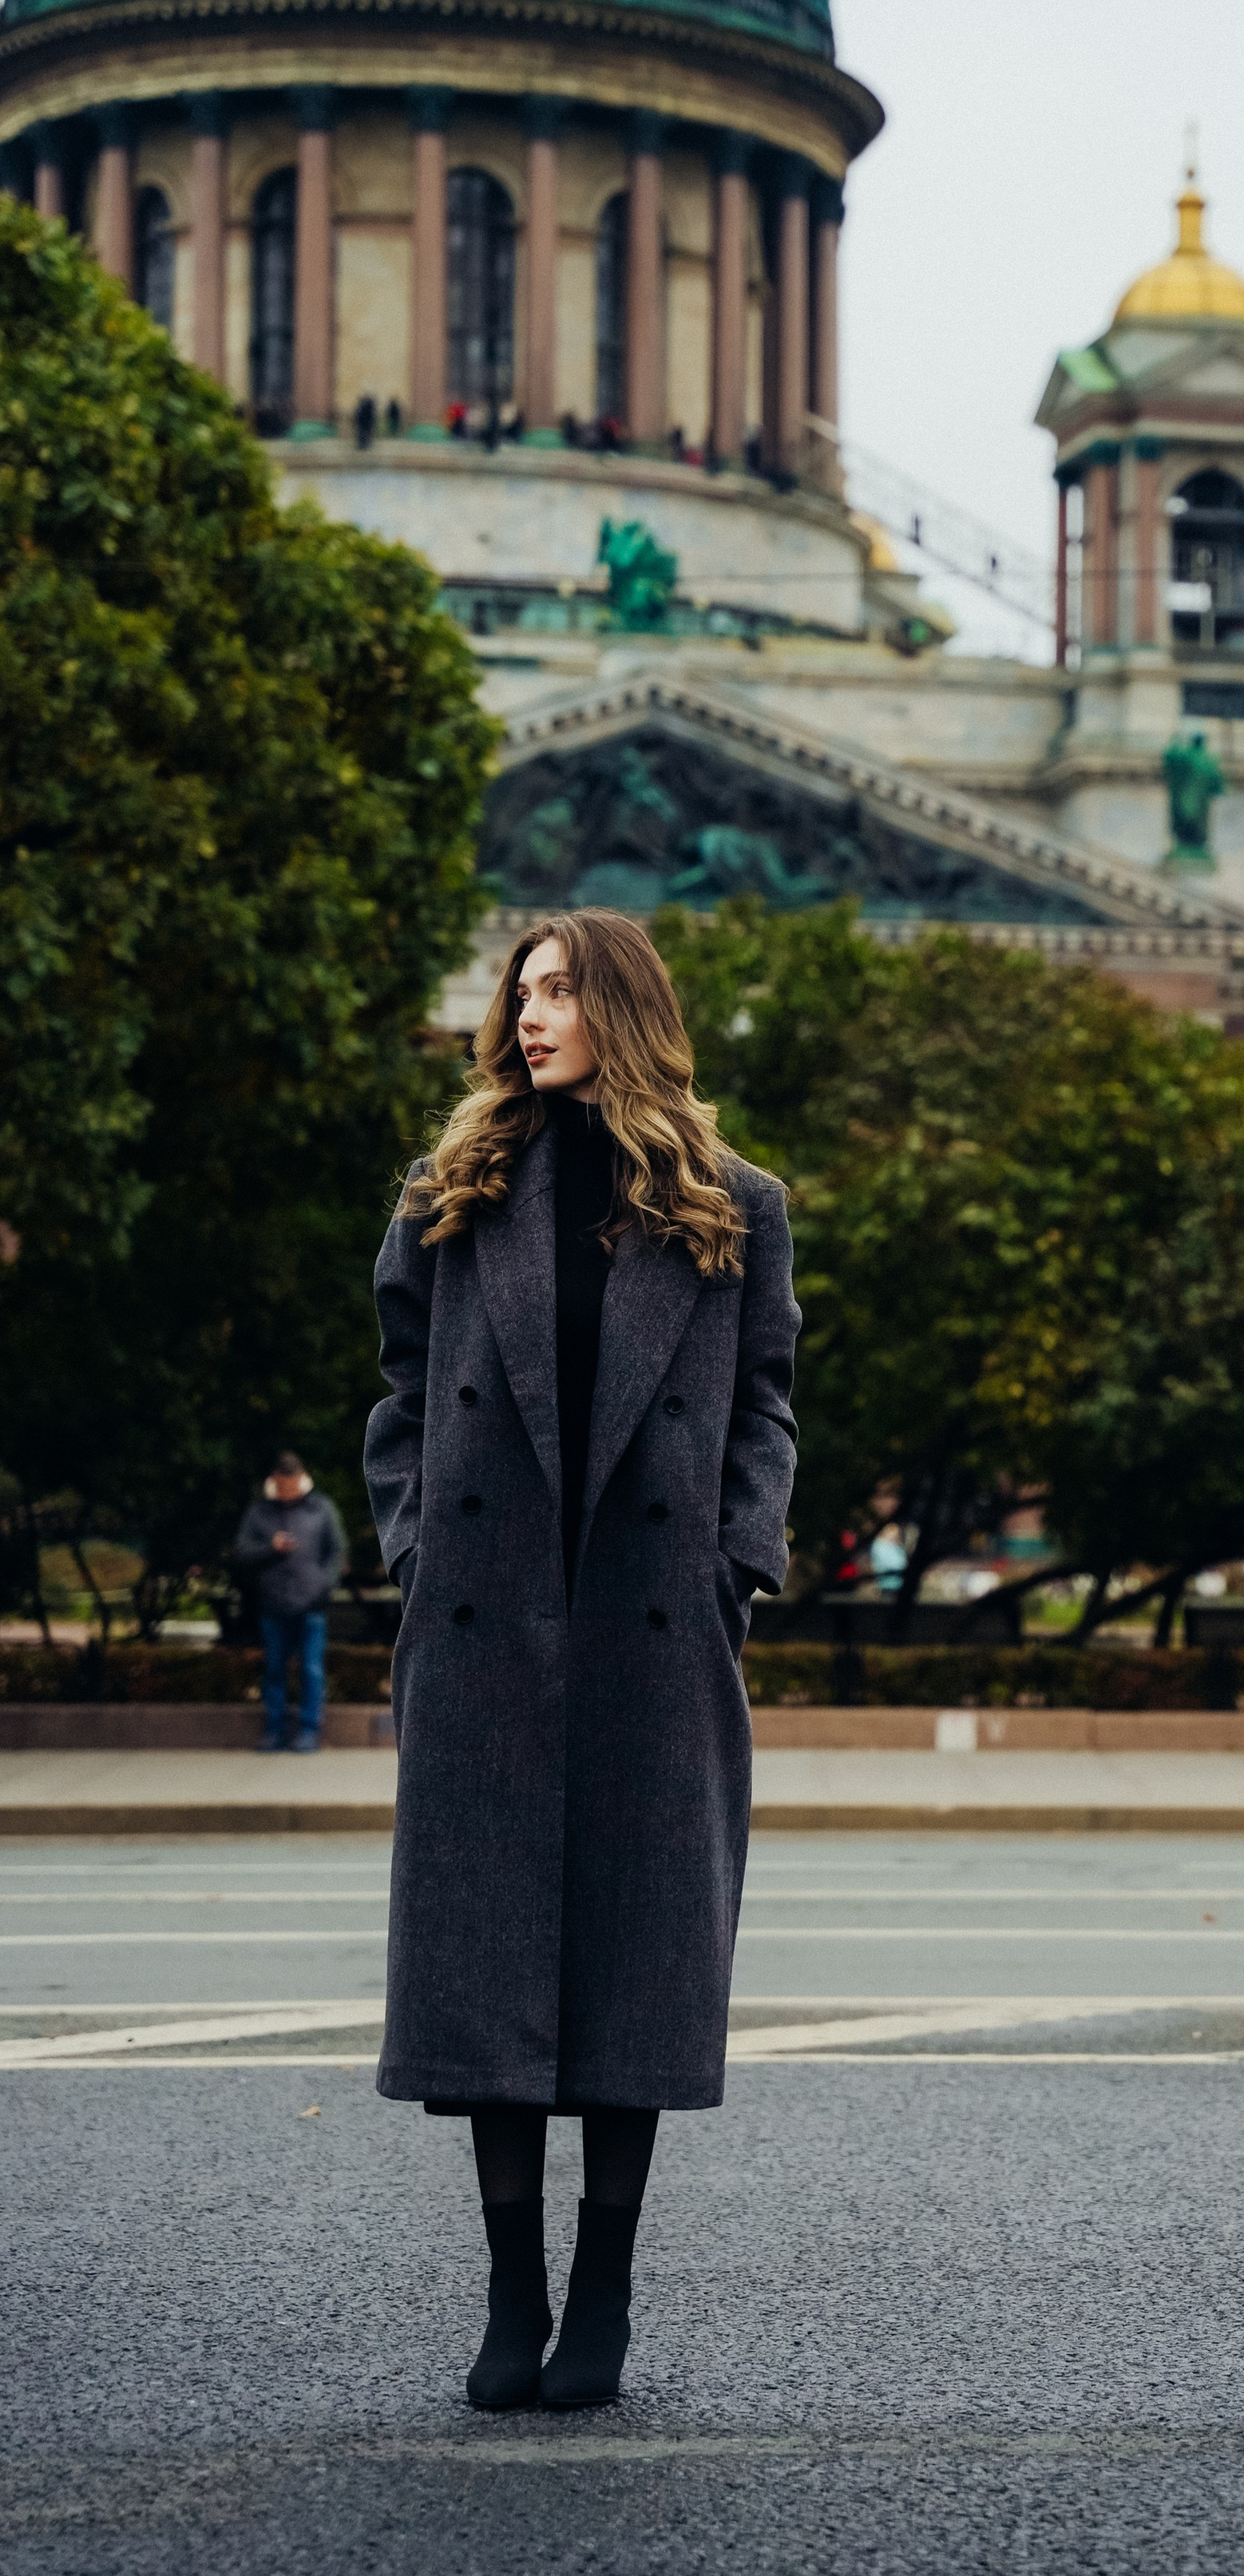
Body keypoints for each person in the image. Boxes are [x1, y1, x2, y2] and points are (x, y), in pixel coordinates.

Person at [364, 909, 798, 2414]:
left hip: (651, 1623)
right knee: (489, 1984)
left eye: (558, 991)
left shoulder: (733, 1203)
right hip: (488, 1617)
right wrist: (418, 1546)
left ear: (622, 1008)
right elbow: (399, 1394)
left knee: (632, 1971)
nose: (530, 1015)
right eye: (521, 992)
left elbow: (767, 1406)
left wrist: (739, 1557)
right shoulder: (454, 1188)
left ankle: (601, 2295)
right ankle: (510, 2295)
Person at [232, 1452, 346, 1754]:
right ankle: (274, 1731)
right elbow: (242, 1553)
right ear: (273, 1484)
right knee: (274, 1669)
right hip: (272, 1605)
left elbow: (336, 1552)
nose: (287, 1493)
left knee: (311, 1669)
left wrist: (324, 1586)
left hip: (312, 1606)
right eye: (282, 1487)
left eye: (292, 1486)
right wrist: (270, 1548)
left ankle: (309, 1731)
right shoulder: (259, 1513)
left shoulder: (322, 1509)